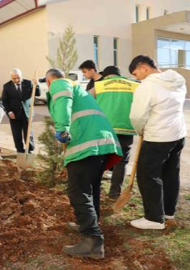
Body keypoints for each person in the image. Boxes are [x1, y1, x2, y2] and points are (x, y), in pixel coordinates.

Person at [46, 68, 121, 259]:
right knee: (90, 186)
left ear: (49, 81)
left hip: (87, 144)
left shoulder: (60, 83)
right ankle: (91, 224)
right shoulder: (78, 88)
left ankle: (92, 241)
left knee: (78, 191)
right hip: (101, 142)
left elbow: (63, 100)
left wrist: (62, 129)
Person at [128, 55, 186, 230]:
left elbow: (137, 116)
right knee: (170, 173)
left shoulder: (147, 87)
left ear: (144, 67)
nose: (136, 77)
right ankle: (168, 212)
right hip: (178, 135)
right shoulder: (178, 80)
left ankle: (154, 218)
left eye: (136, 73)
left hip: (157, 138)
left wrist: (139, 130)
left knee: (147, 175)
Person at [89, 66, 139, 200]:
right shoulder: (134, 85)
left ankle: (94, 191)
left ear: (105, 76)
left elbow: (86, 99)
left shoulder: (99, 85)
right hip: (126, 129)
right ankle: (114, 193)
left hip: (104, 129)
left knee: (100, 160)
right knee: (121, 163)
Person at [2, 68, 40, 153]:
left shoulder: (28, 83)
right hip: (14, 114)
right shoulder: (7, 86)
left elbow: (37, 93)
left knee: (28, 132)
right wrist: (9, 111)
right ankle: (19, 150)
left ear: (21, 76)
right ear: (11, 78)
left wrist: (36, 85)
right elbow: (4, 101)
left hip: (27, 113)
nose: (17, 80)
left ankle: (29, 150)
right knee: (16, 133)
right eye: (14, 78)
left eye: (18, 78)